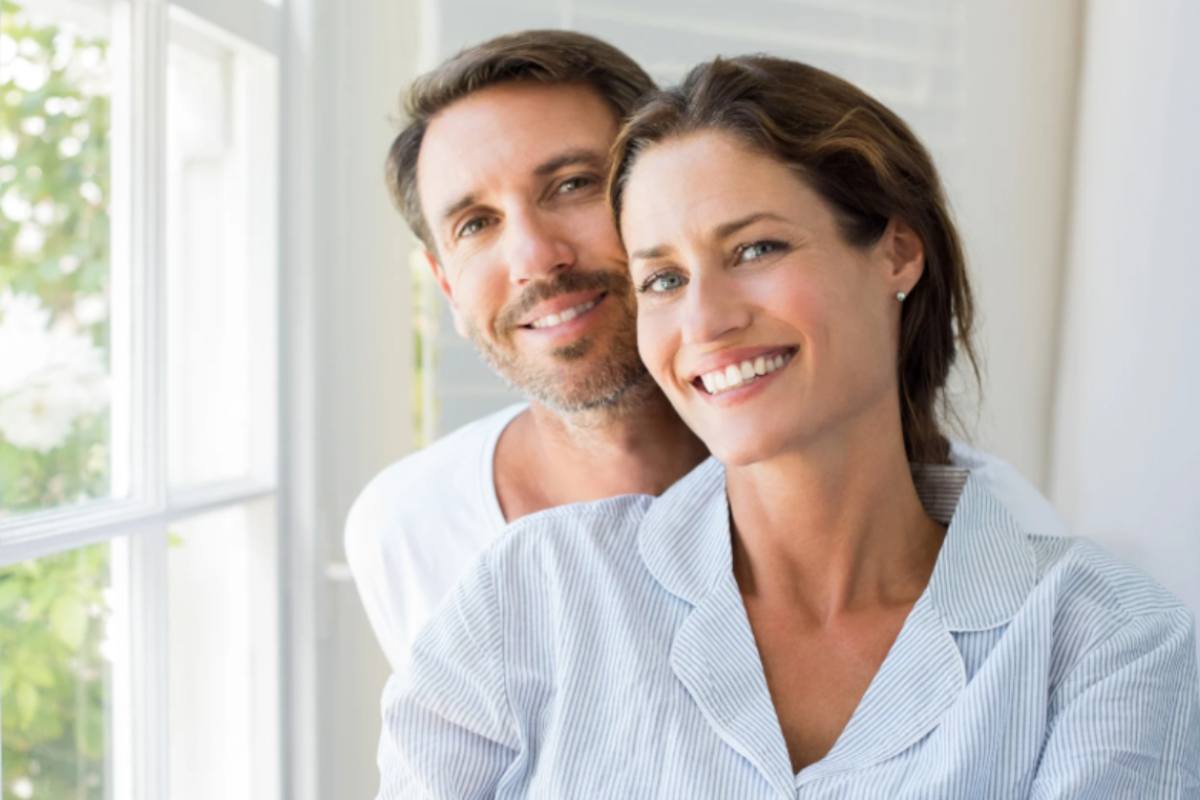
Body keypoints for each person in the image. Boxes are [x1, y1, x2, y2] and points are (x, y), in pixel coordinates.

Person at [376, 55, 1200, 798]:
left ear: (897, 252)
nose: (706, 319)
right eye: (661, 278)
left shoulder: (1105, 638)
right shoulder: (529, 590)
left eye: (757, 248)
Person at [346, 30, 1064, 681]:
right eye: (475, 224)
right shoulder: (408, 530)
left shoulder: (1006, 548)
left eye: (572, 185)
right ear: (444, 282)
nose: (535, 257)